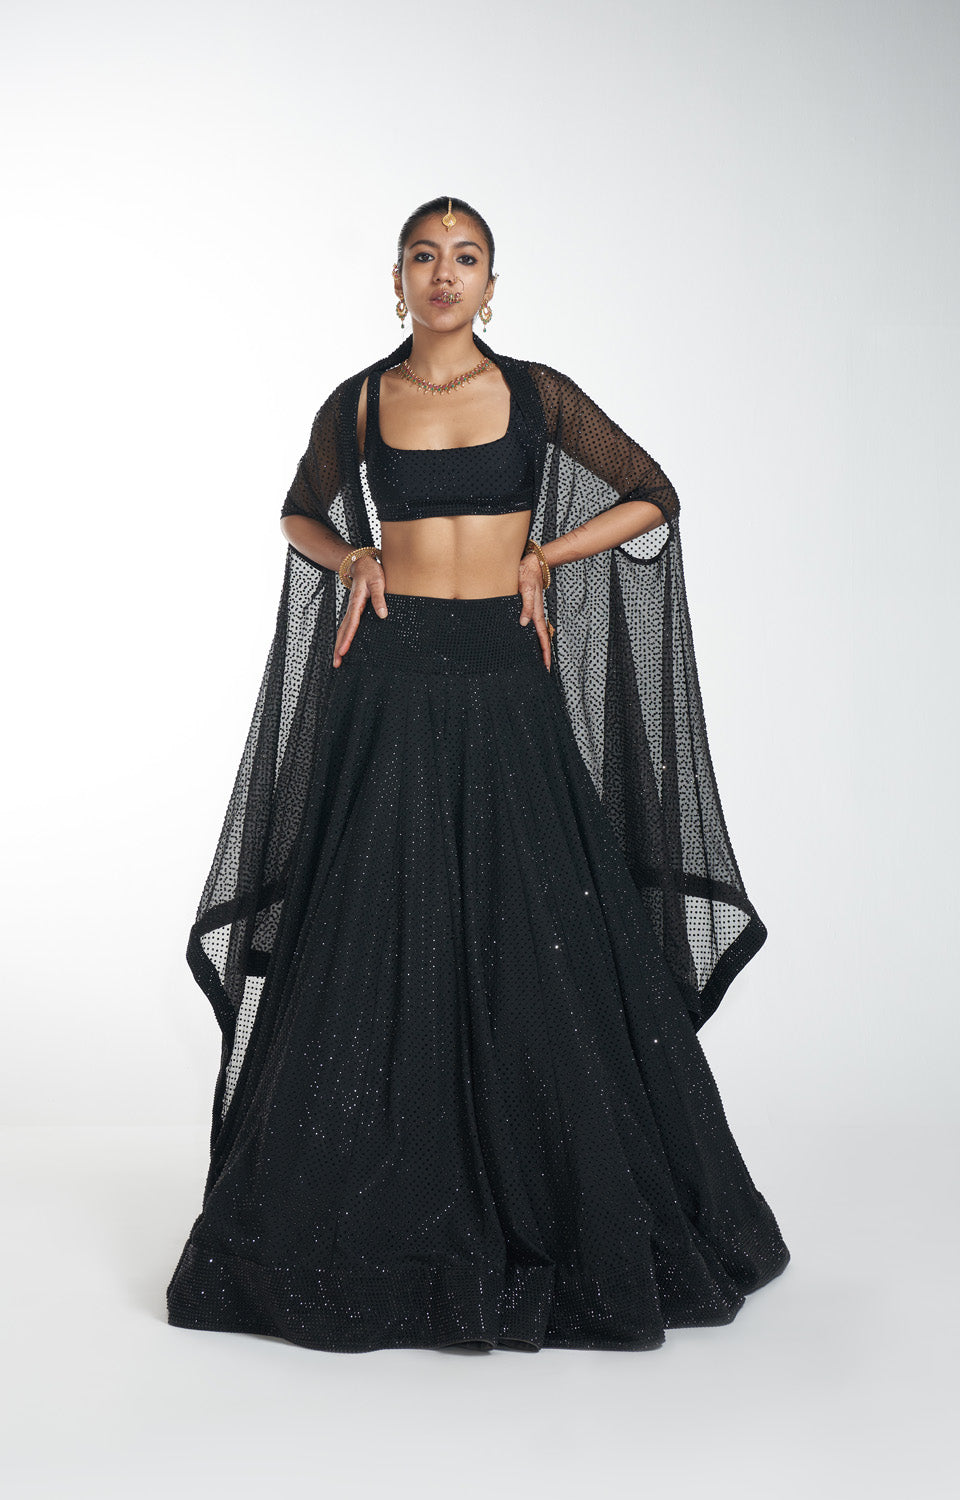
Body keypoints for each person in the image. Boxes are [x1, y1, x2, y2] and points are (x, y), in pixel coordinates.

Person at [165, 194, 791, 1354]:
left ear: (491, 288)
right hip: (391, 680)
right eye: (424, 255)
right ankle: (363, 1198)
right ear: (396, 279)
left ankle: (552, 1193)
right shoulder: (359, 401)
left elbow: (651, 492)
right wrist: (351, 554)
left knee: (536, 927)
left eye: (465, 258)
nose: (443, 273)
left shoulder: (537, 395)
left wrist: (545, 554)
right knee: (372, 926)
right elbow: (297, 514)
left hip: (505, 678)